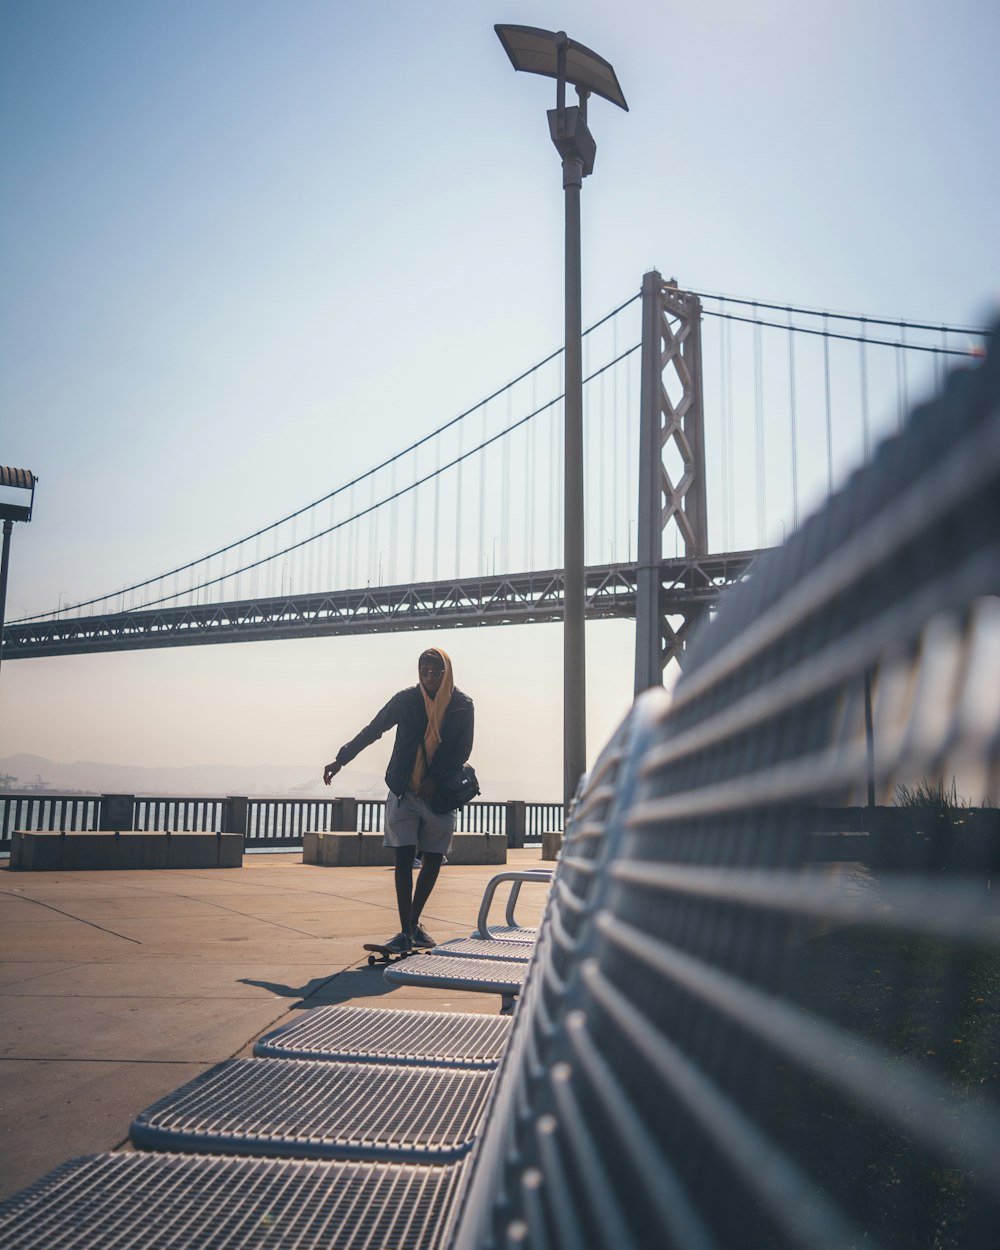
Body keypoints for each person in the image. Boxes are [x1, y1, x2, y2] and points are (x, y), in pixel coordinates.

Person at [323, 646, 474, 954]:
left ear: (446, 673)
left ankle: (412, 925)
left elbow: (462, 751)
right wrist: (341, 759)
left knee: (432, 858)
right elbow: (374, 730)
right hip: (404, 790)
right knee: (403, 859)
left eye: (435, 672)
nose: (429, 678)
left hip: (439, 795)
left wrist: (436, 779)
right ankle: (406, 931)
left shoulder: (462, 705)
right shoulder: (405, 700)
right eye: (423, 671)